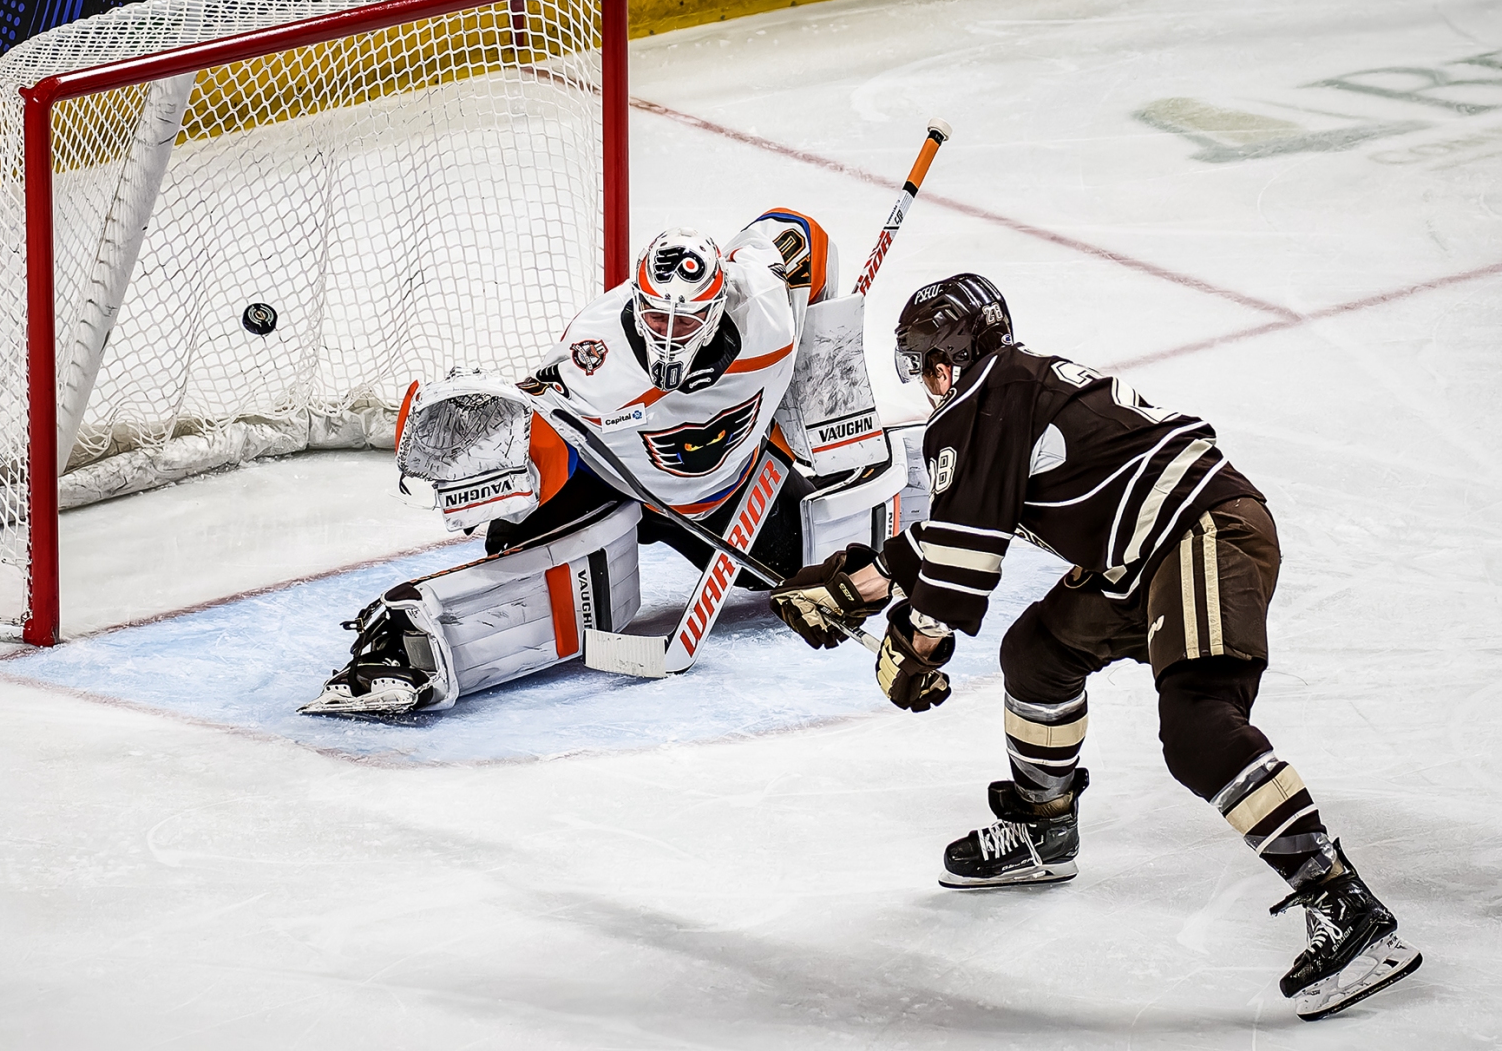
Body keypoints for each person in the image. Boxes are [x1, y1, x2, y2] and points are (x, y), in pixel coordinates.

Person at [768, 272, 1421, 1020]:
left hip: (1198, 534)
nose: (922, 383)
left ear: (944, 360)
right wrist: (865, 579)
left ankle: (1345, 908)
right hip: (1144, 551)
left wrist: (917, 641)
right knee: (1038, 652)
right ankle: (1045, 826)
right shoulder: (1008, 390)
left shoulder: (983, 404)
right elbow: (962, 528)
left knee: (1197, 723)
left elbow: (963, 557)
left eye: (920, 364)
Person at [307, 212, 858, 715]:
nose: (667, 337)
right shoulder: (596, 348)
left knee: (812, 571)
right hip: (614, 479)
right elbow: (539, 425)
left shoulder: (764, 302)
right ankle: (398, 646)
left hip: (723, 493)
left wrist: (814, 385)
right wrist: (489, 477)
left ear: (715, 309)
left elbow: (805, 234)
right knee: (515, 546)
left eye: (684, 324)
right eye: (654, 318)